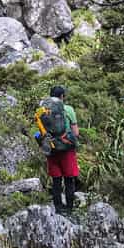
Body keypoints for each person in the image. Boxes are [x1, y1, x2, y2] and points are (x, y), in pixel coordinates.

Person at [41, 85, 80, 215]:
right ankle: (69, 209)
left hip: (51, 149)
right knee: (69, 179)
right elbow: (75, 132)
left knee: (56, 179)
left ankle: (58, 208)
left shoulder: (43, 110)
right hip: (67, 149)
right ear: (62, 96)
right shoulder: (68, 109)